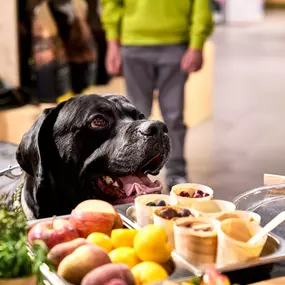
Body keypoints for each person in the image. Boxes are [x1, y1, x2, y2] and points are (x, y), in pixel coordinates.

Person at [100, 0, 214, 191]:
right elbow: (112, 4)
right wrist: (112, 43)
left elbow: (200, 5)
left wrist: (196, 44)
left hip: (175, 44)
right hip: (133, 43)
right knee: (135, 118)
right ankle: (134, 172)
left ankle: (176, 172)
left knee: (174, 115)